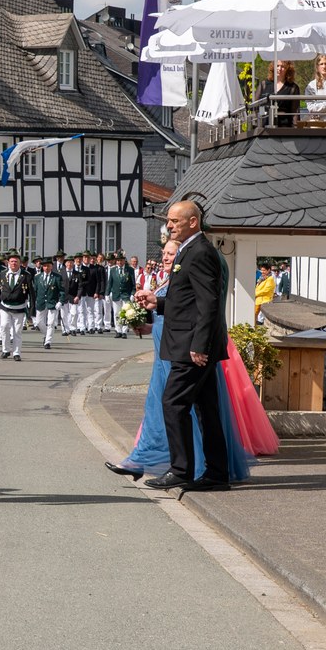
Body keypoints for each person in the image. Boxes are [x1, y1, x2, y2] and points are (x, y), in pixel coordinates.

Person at [106, 239, 258, 483]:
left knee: (179, 407)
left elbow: (200, 309)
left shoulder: (195, 266)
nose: (166, 257)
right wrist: (148, 324)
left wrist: (197, 345)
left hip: (184, 352)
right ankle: (149, 461)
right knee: (170, 410)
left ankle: (185, 468)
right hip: (167, 353)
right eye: (164, 253)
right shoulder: (169, 281)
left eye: (171, 253)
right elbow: (177, 312)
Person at [133, 201, 231, 492]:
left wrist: (200, 345)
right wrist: (158, 302)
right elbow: (187, 300)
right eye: (169, 220)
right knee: (206, 408)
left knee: (173, 402)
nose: (169, 225)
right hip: (192, 342)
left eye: (175, 221)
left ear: (192, 222)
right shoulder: (190, 249)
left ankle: (180, 470)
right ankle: (217, 473)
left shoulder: (200, 252)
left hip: (193, 347)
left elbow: (209, 303)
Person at [0, 252, 30, 360]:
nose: (14, 263)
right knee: (4, 327)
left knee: (17, 331)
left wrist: (31, 309)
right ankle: (5, 350)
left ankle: (16, 353)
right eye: (12, 261)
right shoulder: (2, 274)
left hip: (19, 307)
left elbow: (31, 292)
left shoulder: (26, 275)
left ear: (19, 263)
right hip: (5, 306)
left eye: (16, 261)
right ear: (8, 262)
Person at [33, 257, 62, 350]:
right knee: (38, 322)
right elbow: (35, 290)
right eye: (45, 266)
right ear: (42, 267)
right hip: (41, 302)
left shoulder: (57, 277)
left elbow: (62, 291)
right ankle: (46, 334)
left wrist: (60, 301)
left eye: (48, 266)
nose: (46, 268)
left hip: (52, 303)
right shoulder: (37, 277)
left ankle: (48, 342)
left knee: (51, 323)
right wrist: (33, 300)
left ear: (51, 266)